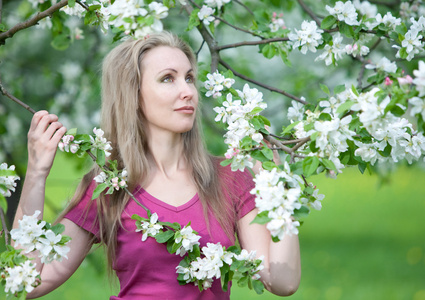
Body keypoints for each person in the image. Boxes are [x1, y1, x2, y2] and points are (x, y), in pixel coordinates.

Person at [13, 31, 301, 299]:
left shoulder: (229, 179)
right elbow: (28, 281)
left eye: (189, 78)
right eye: (168, 79)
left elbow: (282, 281)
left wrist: (277, 191)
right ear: (134, 96)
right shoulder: (108, 185)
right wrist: (37, 173)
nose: (187, 91)